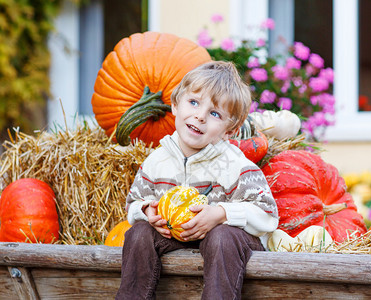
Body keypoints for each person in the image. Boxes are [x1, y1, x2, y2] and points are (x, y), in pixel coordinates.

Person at [116, 61, 279, 300]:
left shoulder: (235, 165)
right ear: (174, 105)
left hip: (225, 245)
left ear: (229, 130)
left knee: (222, 237)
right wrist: (146, 211)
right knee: (138, 233)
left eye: (215, 114)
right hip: (175, 236)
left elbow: (267, 215)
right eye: (193, 103)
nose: (199, 116)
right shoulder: (157, 160)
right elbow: (133, 202)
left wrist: (222, 214)